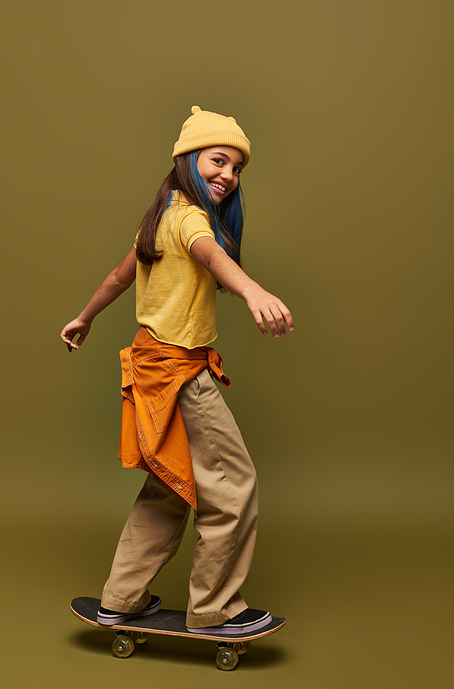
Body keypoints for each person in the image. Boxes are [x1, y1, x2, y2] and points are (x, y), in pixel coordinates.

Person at [60, 106, 294, 636]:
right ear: (188, 159)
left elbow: (119, 276)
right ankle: (214, 611)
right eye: (218, 160)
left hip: (149, 366)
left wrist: (84, 317)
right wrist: (253, 290)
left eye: (237, 168)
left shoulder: (160, 215)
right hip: (178, 374)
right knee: (233, 488)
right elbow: (213, 257)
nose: (228, 176)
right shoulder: (189, 218)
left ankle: (120, 600)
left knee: (170, 487)